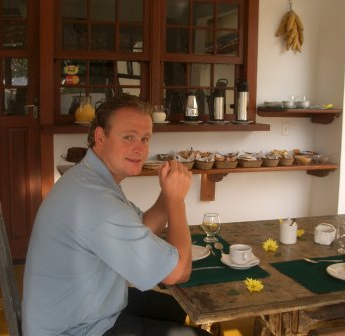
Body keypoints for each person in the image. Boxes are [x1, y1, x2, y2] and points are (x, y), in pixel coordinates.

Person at [22, 95, 210, 336]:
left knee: (177, 307)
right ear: (101, 137)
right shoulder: (95, 201)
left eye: (145, 139)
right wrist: (176, 201)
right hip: (75, 328)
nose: (140, 149)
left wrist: (167, 193)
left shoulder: (90, 177)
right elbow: (177, 273)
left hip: (85, 307)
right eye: (129, 137)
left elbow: (144, 225)